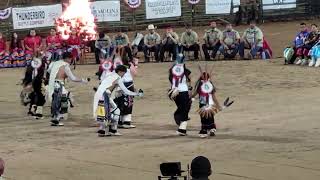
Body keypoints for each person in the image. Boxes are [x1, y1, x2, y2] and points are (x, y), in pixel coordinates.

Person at [93, 65, 143, 137]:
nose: (123, 75)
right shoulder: (118, 78)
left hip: (99, 94)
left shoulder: (110, 74)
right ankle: (112, 130)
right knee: (113, 112)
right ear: (120, 72)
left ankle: (103, 130)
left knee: (105, 113)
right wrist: (137, 94)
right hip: (105, 95)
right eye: (123, 73)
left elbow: (102, 83)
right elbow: (126, 91)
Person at [47, 53, 89, 126]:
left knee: (55, 101)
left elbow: (49, 71)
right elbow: (73, 78)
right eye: (70, 59)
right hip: (59, 84)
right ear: (67, 58)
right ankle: (57, 117)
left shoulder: (54, 63)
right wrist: (83, 80)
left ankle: (56, 117)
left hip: (52, 84)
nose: (70, 61)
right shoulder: (66, 65)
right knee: (63, 100)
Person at [168, 48, 192, 136]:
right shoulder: (185, 70)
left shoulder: (172, 69)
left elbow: (171, 80)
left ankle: (181, 124)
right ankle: (182, 128)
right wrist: (190, 89)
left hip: (174, 92)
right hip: (183, 91)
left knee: (182, 109)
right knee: (184, 109)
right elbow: (189, 80)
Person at [192, 67, 222, 138]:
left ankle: (204, 130)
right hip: (210, 104)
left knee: (204, 118)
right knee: (210, 117)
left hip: (202, 104)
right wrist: (218, 106)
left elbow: (195, 94)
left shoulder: (200, 86)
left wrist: (190, 97)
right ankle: (212, 129)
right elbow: (214, 97)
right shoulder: (210, 85)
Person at [114, 58, 139, 129]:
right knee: (128, 103)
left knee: (119, 103)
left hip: (118, 84)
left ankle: (119, 121)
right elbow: (135, 73)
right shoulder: (128, 63)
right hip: (128, 85)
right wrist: (135, 65)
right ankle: (126, 122)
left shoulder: (115, 61)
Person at [21, 51, 47, 119]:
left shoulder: (30, 64)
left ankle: (31, 110)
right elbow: (42, 74)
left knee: (34, 95)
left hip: (31, 82)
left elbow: (27, 74)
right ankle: (38, 113)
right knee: (41, 96)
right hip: (37, 81)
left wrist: (26, 83)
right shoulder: (42, 64)